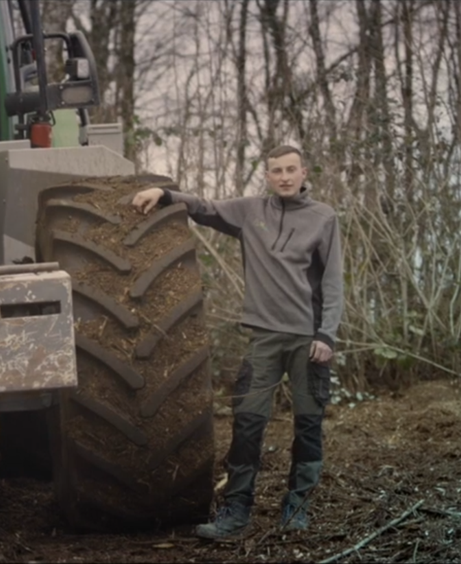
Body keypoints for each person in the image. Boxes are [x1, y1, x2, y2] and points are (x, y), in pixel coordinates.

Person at [131, 144, 344, 538]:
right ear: (267, 176)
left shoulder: (323, 217)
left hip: (307, 342)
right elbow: (206, 207)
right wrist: (165, 195)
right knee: (247, 424)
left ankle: (296, 509)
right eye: (276, 170)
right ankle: (236, 512)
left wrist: (326, 334)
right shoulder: (251, 212)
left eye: (291, 170)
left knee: (308, 425)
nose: (284, 176)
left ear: (304, 173)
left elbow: (332, 282)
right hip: (263, 338)